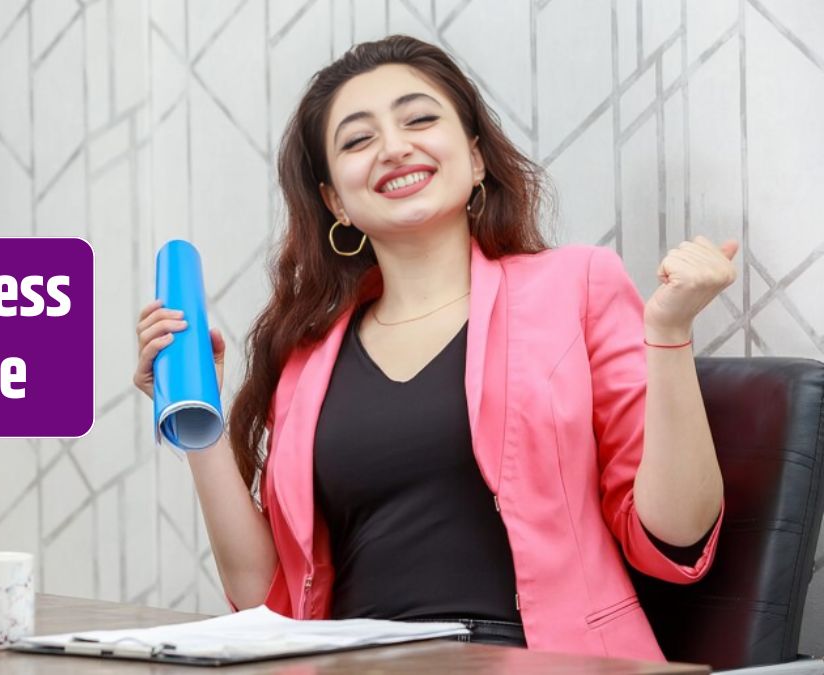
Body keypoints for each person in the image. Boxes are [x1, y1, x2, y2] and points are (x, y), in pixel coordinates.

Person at [133, 35, 734, 660]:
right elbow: (266, 594)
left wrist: (668, 334)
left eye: (419, 119)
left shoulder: (576, 284)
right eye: (358, 140)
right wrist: (196, 426)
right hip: (352, 661)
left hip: (539, 658)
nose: (394, 148)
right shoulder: (309, 356)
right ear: (335, 200)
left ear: (475, 159)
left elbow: (677, 534)